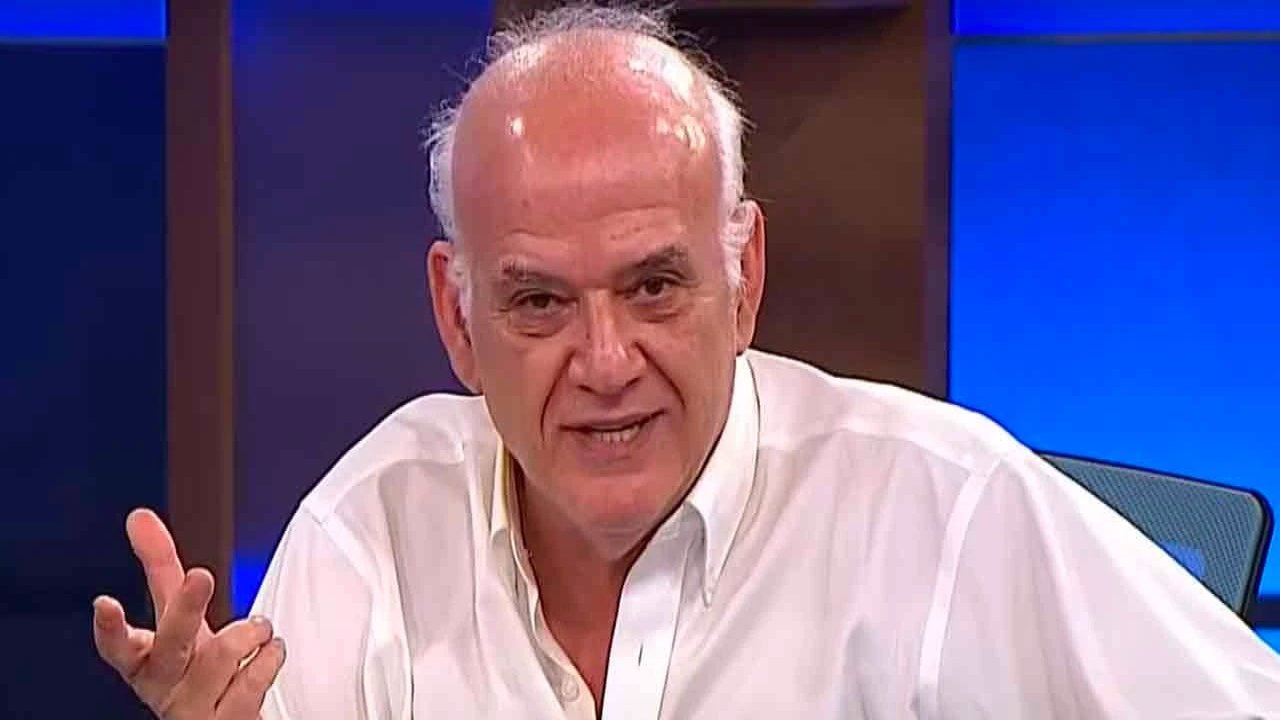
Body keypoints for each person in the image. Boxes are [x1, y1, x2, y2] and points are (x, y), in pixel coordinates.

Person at [93, 3, 1280, 718]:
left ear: (743, 276)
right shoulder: (375, 529)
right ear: (455, 318)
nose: (605, 361)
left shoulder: (943, 505)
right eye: (538, 302)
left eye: (653, 287)